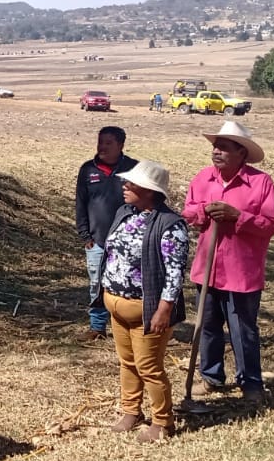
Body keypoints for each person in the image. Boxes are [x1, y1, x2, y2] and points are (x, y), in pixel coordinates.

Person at [183, 121, 274, 404]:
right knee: (208, 325)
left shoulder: (261, 183)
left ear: (241, 153)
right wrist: (203, 211)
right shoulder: (202, 179)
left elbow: (271, 224)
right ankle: (211, 376)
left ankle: (250, 382)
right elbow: (188, 213)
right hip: (208, 268)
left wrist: (238, 216)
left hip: (242, 271)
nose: (217, 151)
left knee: (243, 328)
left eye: (224, 147)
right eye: (216, 146)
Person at [101, 160, 189, 443]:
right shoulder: (125, 213)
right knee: (127, 362)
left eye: (132, 184)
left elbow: (175, 274)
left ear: (150, 191)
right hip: (116, 305)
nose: (124, 187)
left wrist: (164, 310)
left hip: (147, 310)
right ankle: (131, 411)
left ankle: (163, 422)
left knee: (149, 366)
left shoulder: (170, 225)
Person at [73, 126, 138, 342]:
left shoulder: (133, 169)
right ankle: (98, 327)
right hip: (97, 242)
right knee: (97, 285)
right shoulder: (87, 170)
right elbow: (80, 204)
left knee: (126, 283)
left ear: (121, 145)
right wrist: (85, 236)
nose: (102, 147)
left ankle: (126, 326)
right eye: (100, 141)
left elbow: (143, 203)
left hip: (128, 242)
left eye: (108, 143)